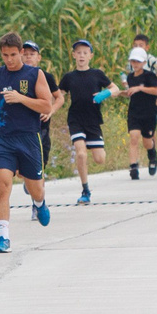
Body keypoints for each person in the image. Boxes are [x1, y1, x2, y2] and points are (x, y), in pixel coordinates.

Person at [0, 31, 53, 253]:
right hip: (3, 138)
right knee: (2, 185)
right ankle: (3, 238)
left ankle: (40, 203)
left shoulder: (35, 74)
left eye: (13, 54)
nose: (9, 59)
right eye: (5, 55)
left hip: (29, 137)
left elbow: (47, 106)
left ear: (22, 52)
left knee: (36, 190)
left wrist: (21, 98)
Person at [59, 38, 113, 205]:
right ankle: (85, 190)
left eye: (85, 53)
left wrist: (104, 94)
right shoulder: (69, 77)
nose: (81, 55)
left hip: (93, 120)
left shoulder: (97, 74)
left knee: (99, 159)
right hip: (75, 119)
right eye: (78, 53)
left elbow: (115, 88)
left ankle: (93, 145)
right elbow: (58, 95)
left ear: (90, 55)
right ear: (74, 55)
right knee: (81, 153)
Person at [122, 37, 157, 180]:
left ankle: (152, 156)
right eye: (133, 61)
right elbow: (131, 92)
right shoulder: (130, 77)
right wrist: (123, 93)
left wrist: (140, 88)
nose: (135, 64)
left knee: (147, 141)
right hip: (134, 112)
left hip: (149, 112)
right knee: (133, 137)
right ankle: (133, 166)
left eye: (138, 61)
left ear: (144, 62)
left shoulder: (150, 76)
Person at [21, 38, 61, 179]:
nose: (28, 57)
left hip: (41, 127)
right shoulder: (15, 76)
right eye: (25, 54)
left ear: (38, 58)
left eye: (32, 54)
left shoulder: (45, 76)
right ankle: (29, 181)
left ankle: (38, 197)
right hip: (21, 127)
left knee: (39, 165)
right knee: (22, 169)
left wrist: (50, 111)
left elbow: (59, 98)